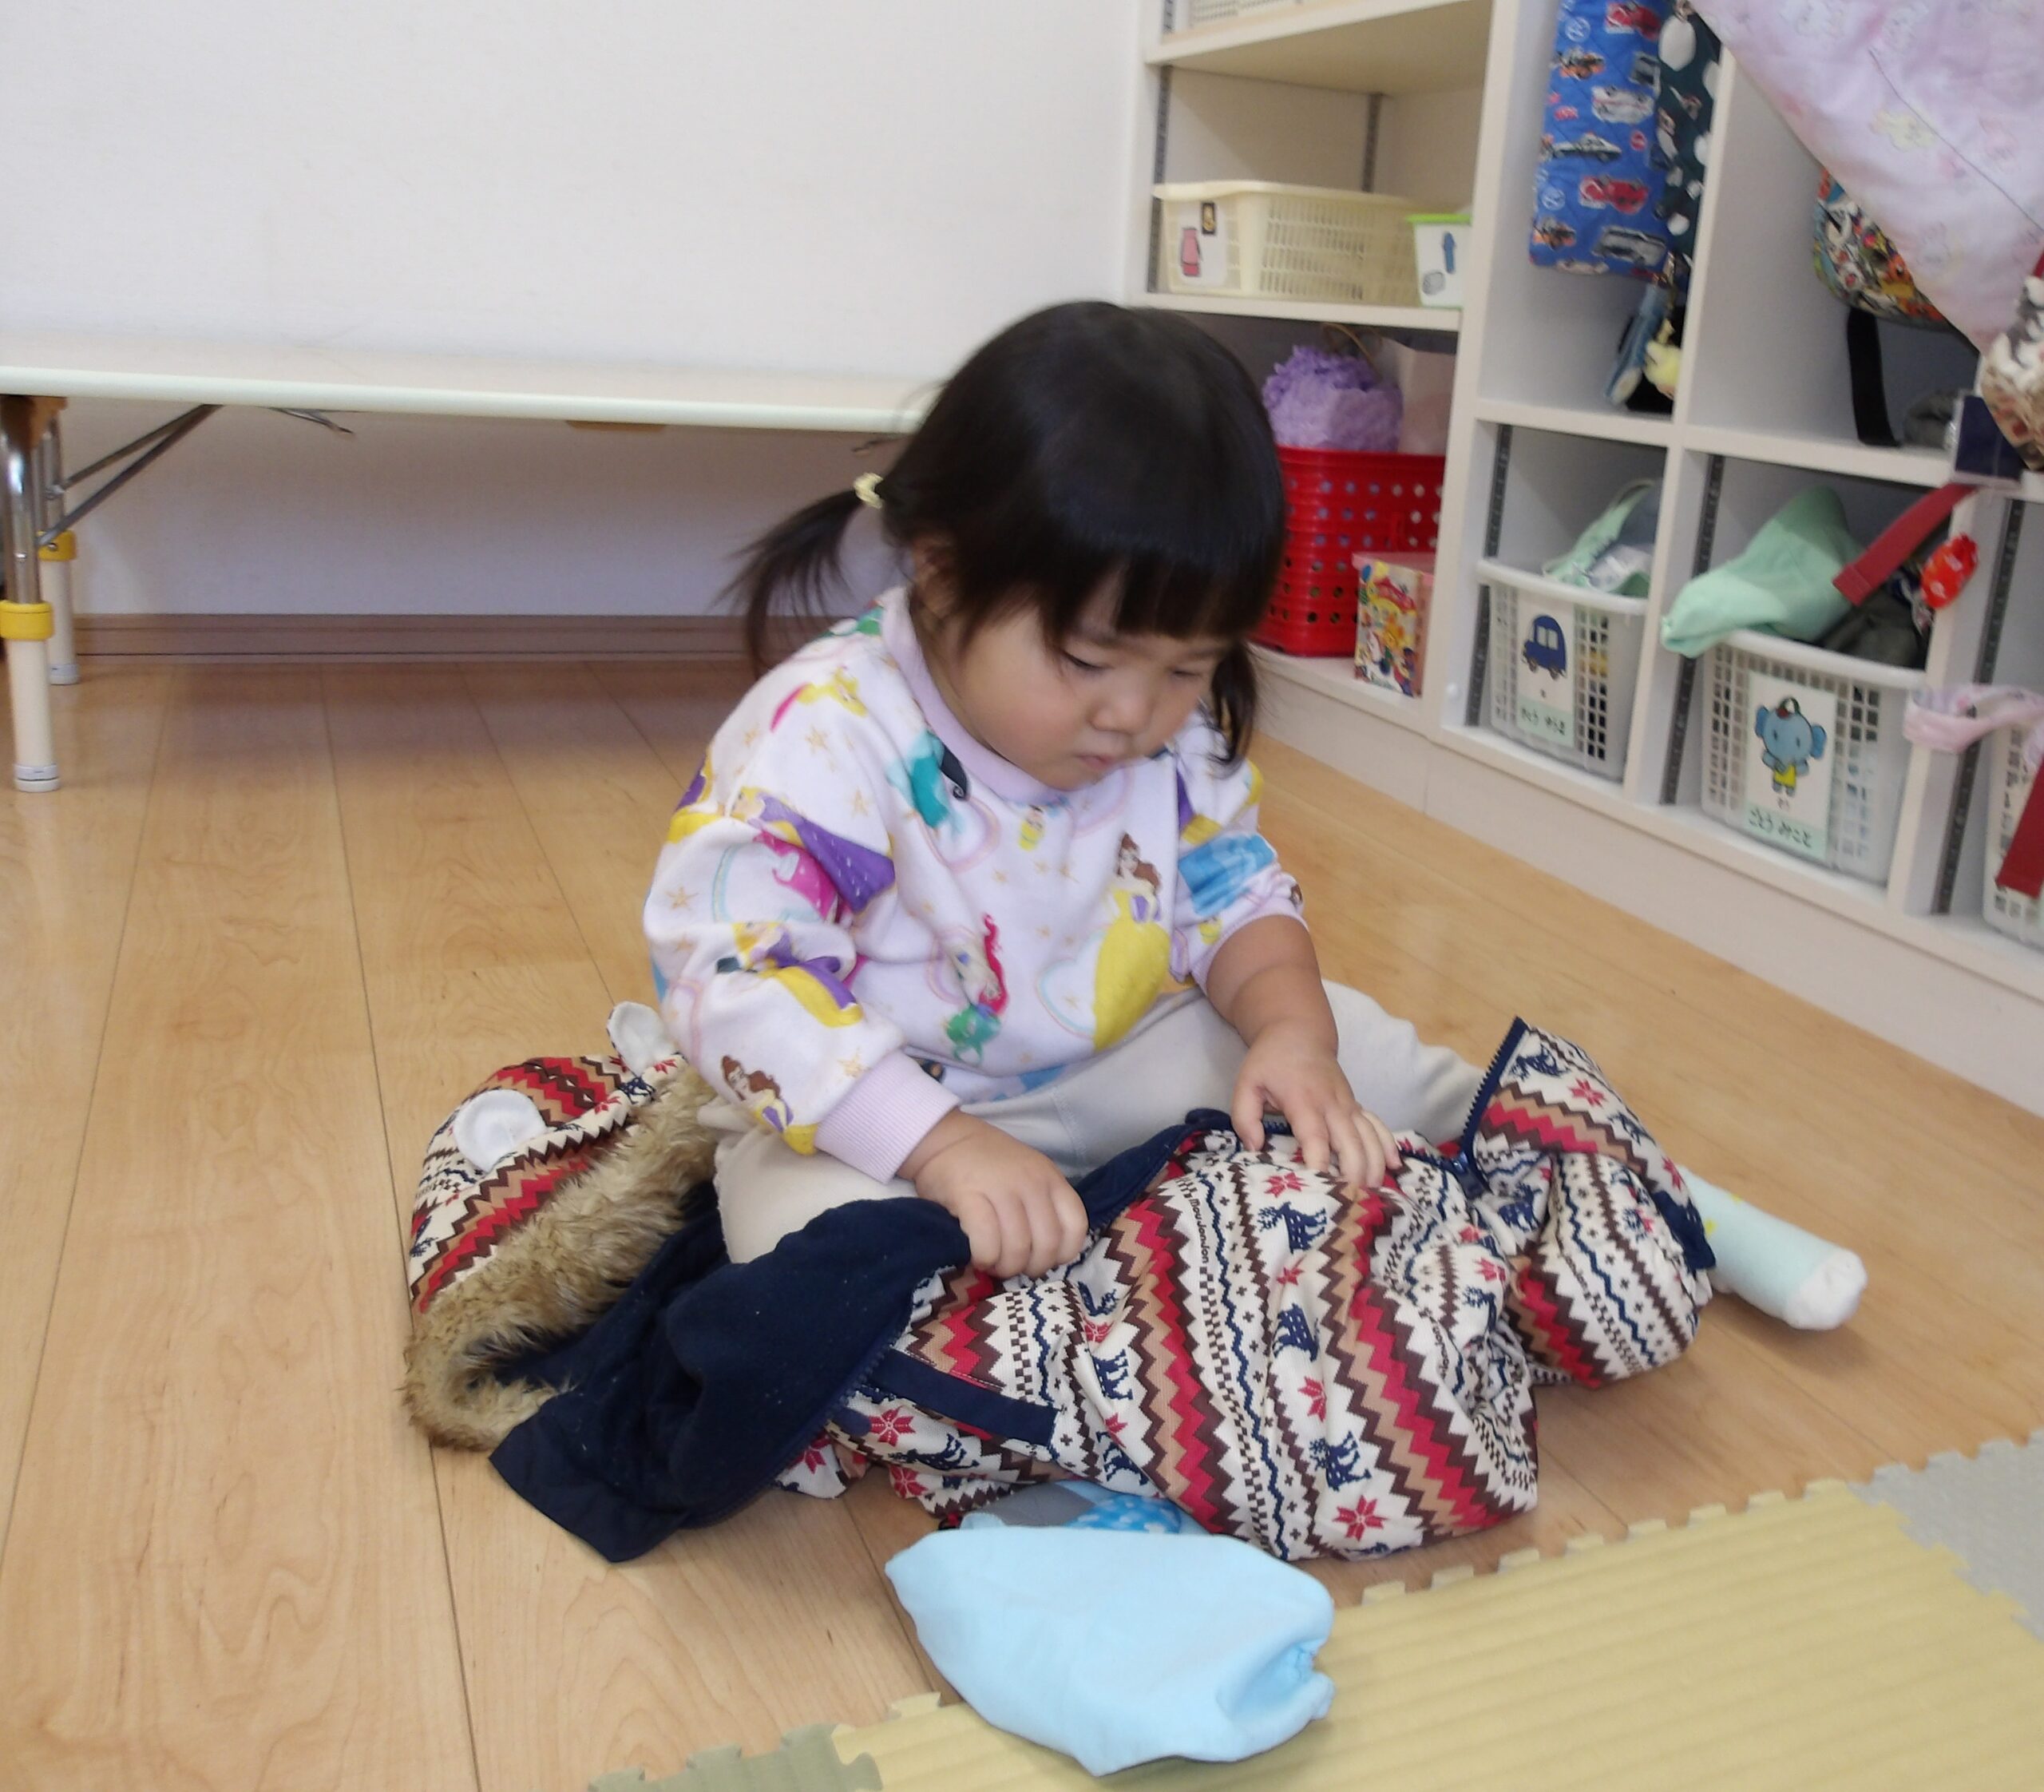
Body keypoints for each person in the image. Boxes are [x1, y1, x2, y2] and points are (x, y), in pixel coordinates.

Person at [643, 302, 1487, 1279]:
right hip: (865, 1107)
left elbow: (1233, 895)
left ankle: (1563, 1150)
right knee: (807, 1257)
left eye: (1187, 668)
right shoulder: (826, 732)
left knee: (1363, 1052)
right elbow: (732, 976)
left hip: (1107, 1071)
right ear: (943, 573)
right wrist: (940, 1144)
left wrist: (1295, 1039)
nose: (1133, 714)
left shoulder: (1171, 729)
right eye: (1087, 659)